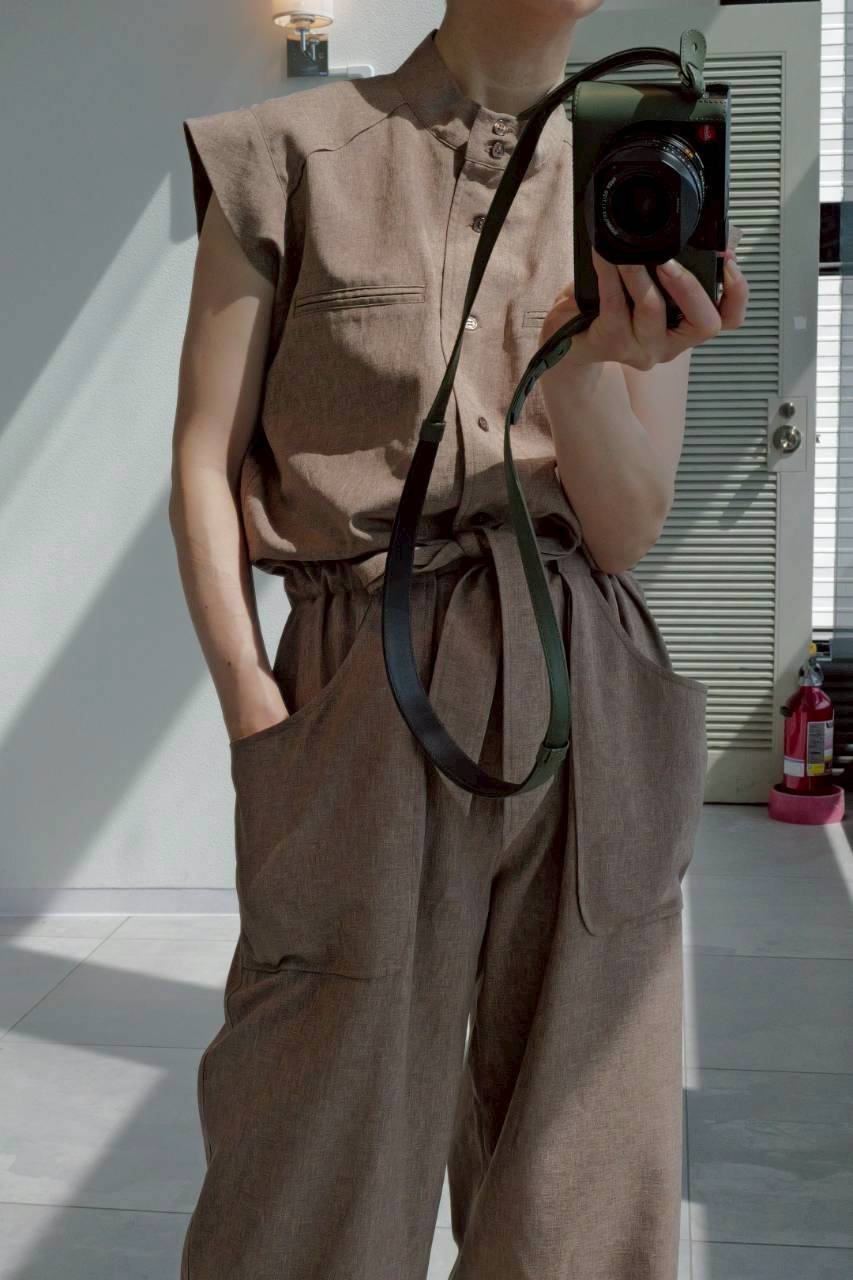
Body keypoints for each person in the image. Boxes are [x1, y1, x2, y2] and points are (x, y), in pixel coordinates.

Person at [170, 2, 749, 1277]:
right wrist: (254, 706)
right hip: (359, 691)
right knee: (309, 1156)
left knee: (582, 1172)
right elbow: (202, 462)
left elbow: (626, 527)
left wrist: (579, 370)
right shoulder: (288, 156)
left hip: (585, 686)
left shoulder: (644, 178)